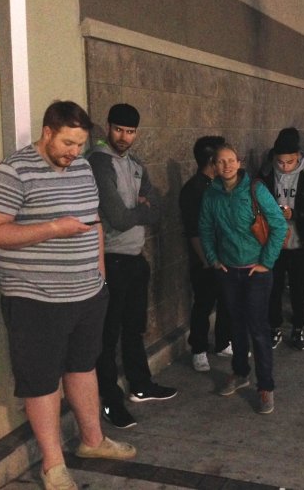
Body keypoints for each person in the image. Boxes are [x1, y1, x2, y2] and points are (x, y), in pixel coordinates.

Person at [0, 101, 135, 490]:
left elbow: (93, 221)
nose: (73, 152)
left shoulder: (81, 167)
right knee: (42, 381)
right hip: (35, 299)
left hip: (86, 294)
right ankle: (53, 465)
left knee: (83, 368)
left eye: (80, 144)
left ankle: (92, 441)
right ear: (47, 132)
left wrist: (99, 275)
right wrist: (51, 229)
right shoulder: (12, 172)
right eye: (67, 143)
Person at [87, 103, 177, 429]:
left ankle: (140, 385)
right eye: (119, 130)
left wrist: (143, 207)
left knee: (134, 328)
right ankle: (110, 401)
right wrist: (140, 207)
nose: (124, 137)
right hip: (109, 260)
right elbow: (119, 217)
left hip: (135, 259)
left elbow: (158, 209)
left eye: (130, 132)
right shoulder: (98, 162)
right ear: (108, 127)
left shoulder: (136, 164)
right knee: (107, 336)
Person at [199, 144, 288, 414]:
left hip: (255, 273)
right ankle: (240, 373)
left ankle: (265, 387)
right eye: (220, 161)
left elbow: (279, 224)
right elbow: (204, 228)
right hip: (228, 271)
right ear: (214, 165)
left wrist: (266, 262)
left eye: (231, 160)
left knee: (258, 330)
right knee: (235, 324)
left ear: (239, 162)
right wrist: (214, 259)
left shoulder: (255, 190)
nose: (226, 165)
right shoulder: (211, 195)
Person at [260, 129, 304, 350]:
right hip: (273, 245)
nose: (284, 166)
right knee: (273, 289)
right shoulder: (266, 174)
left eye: (289, 162)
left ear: (297, 156)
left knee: (299, 289)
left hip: (301, 243)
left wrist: (294, 214)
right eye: (280, 161)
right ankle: (274, 327)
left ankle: (298, 329)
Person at [179, 135, 232, 373]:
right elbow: (193, 231)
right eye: (222, 159)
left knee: (226, 302)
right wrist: (207, 261)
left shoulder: (220, 185)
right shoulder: (194, 189)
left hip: (227, 256)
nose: (227, 164)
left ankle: (223, 342)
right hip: (205, 260)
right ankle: (198, 350)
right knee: (203, 304)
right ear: (212, 160)